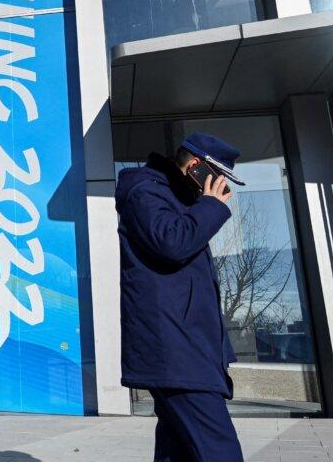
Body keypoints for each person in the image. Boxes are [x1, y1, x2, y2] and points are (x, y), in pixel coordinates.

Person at [115, 132, 247, 462]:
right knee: (220, 451)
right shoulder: (145, 190)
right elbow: (171, 243)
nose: (222, 187)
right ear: (196, 167)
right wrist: (210, 206)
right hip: (176, 351)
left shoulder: (179, 203)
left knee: (179, 451)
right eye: (218, 177)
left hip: (186, 349)